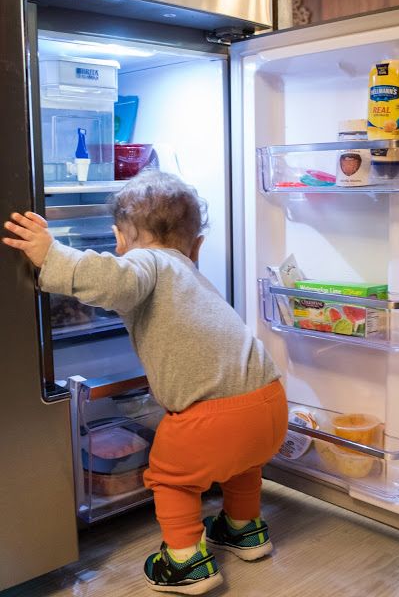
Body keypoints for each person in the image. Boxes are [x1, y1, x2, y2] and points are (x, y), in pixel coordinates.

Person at [3, 171, 288, 595]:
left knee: (172, 478)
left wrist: (52, 254)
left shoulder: (146, 261)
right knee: (243, 464)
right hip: (269, 404)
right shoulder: (194, 276)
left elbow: (113, 280)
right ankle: (244, 530)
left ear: (119, 239)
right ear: (198, 245)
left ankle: (185, 560)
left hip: (210, 418)